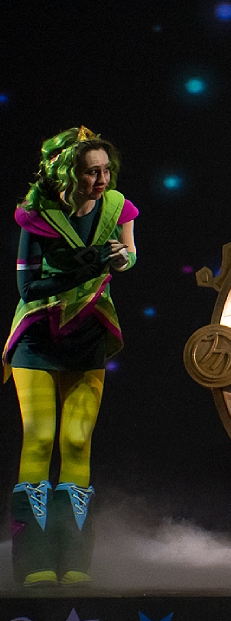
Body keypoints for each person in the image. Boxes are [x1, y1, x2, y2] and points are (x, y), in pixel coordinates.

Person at [3, 126, 137, 587]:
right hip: (37, 338)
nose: (101, 181)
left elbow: (129, 255)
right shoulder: (36, 214)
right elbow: (28, 288)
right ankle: (33, 560)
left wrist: (118, 259)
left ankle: (75, 557)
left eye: (106, 171)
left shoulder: (116, 207)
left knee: (78, 441)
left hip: (89, 335)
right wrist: (90, 265)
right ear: (68, 174)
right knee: (40, 438)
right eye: (91, 172)